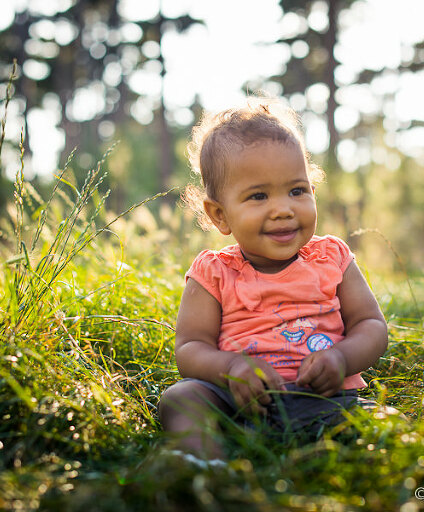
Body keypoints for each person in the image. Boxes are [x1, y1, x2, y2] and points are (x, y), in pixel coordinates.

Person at [158, 98, 388, 462]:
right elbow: (189, 349)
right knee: (181, 398)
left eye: (297, 190)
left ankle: (345, 458)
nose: (283, 209)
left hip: (326, 400)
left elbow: (371, 325)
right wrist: (232, 367)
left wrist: (340, 359)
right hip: (239, 404)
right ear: (220, 215)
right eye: (259, 196)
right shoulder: (213, 273)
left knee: (382, 421)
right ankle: (208, 465)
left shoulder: (332, 259)